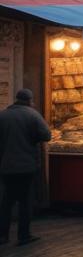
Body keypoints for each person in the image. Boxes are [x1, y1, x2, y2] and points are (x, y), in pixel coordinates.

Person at [0, 88, 51, 245]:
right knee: (25, 201)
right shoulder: (32, 115)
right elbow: (46, 135)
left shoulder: (3, 115)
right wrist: (32, 138)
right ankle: (24, 235)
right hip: (26, 166)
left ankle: (2, 235)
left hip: (6, 165)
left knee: (5, 201)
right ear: (30, 100)